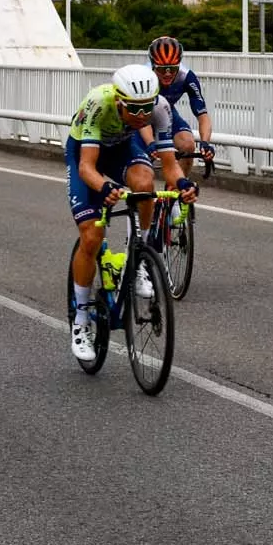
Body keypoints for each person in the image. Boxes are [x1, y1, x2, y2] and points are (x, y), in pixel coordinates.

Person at [66, 64, 197, 362]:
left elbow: (169, 164)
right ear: (118, 100)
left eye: (145, 109)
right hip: (86, 155)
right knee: (91, 235)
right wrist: (103, 188)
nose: (141, 116)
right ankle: (81, 320)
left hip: (123, 149)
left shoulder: (159, 107)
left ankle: (139, 258)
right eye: (133, 110)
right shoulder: (98, 103)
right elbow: (88, 167)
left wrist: (184, 184)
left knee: (145, 184)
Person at [147, 36, 214, 180]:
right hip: (140, 118)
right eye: (162, 69)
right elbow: (140, 119)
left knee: (188, 145)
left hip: (165, 114)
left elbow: (203, 116)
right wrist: (150, 143)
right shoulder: (145, 76)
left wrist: (205, 143)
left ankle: (175, 194)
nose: (168, 73)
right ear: (153, 65)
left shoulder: (186, 77)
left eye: (172, 68)